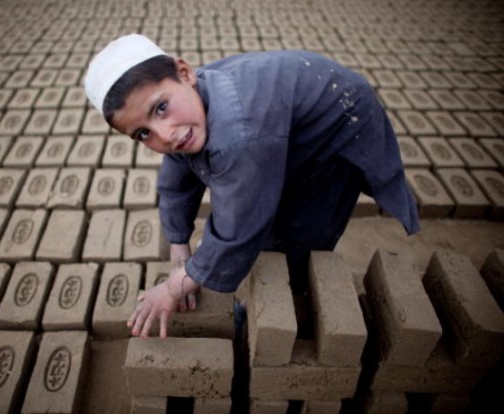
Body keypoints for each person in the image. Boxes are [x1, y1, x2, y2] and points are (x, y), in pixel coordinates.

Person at [85, 34, 420, 339]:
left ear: (185, 73)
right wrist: (179, 245)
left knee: (299, 228)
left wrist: (175, 286)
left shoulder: (238, 135)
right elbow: (175, 182)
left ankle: (291, 293)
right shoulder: (188, 105)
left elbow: (239, 229)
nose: (165, 134)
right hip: (280, 120)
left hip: (340, 117)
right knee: (259, 189)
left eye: (160, 108)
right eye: (143, 133)